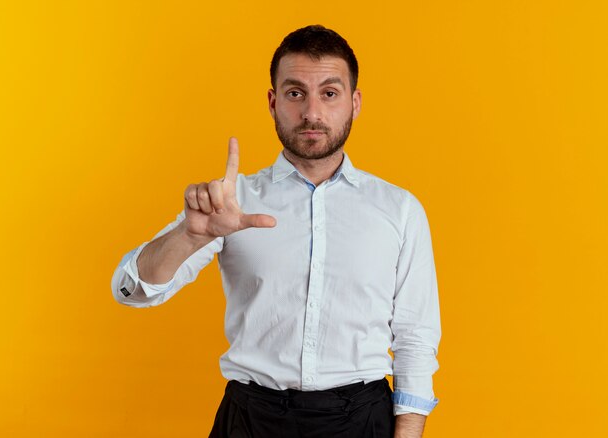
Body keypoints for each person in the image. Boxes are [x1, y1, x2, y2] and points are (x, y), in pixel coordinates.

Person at [112, 25, 441, 438]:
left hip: (361, 420)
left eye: (330, 93)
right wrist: (191, 236)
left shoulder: (400, 210)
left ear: (354, 103)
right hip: (251, 420)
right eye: (295, 93)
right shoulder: (232, 202)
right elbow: (131, 291)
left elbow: (416, 337)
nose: (312, 114)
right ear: (273, 102)